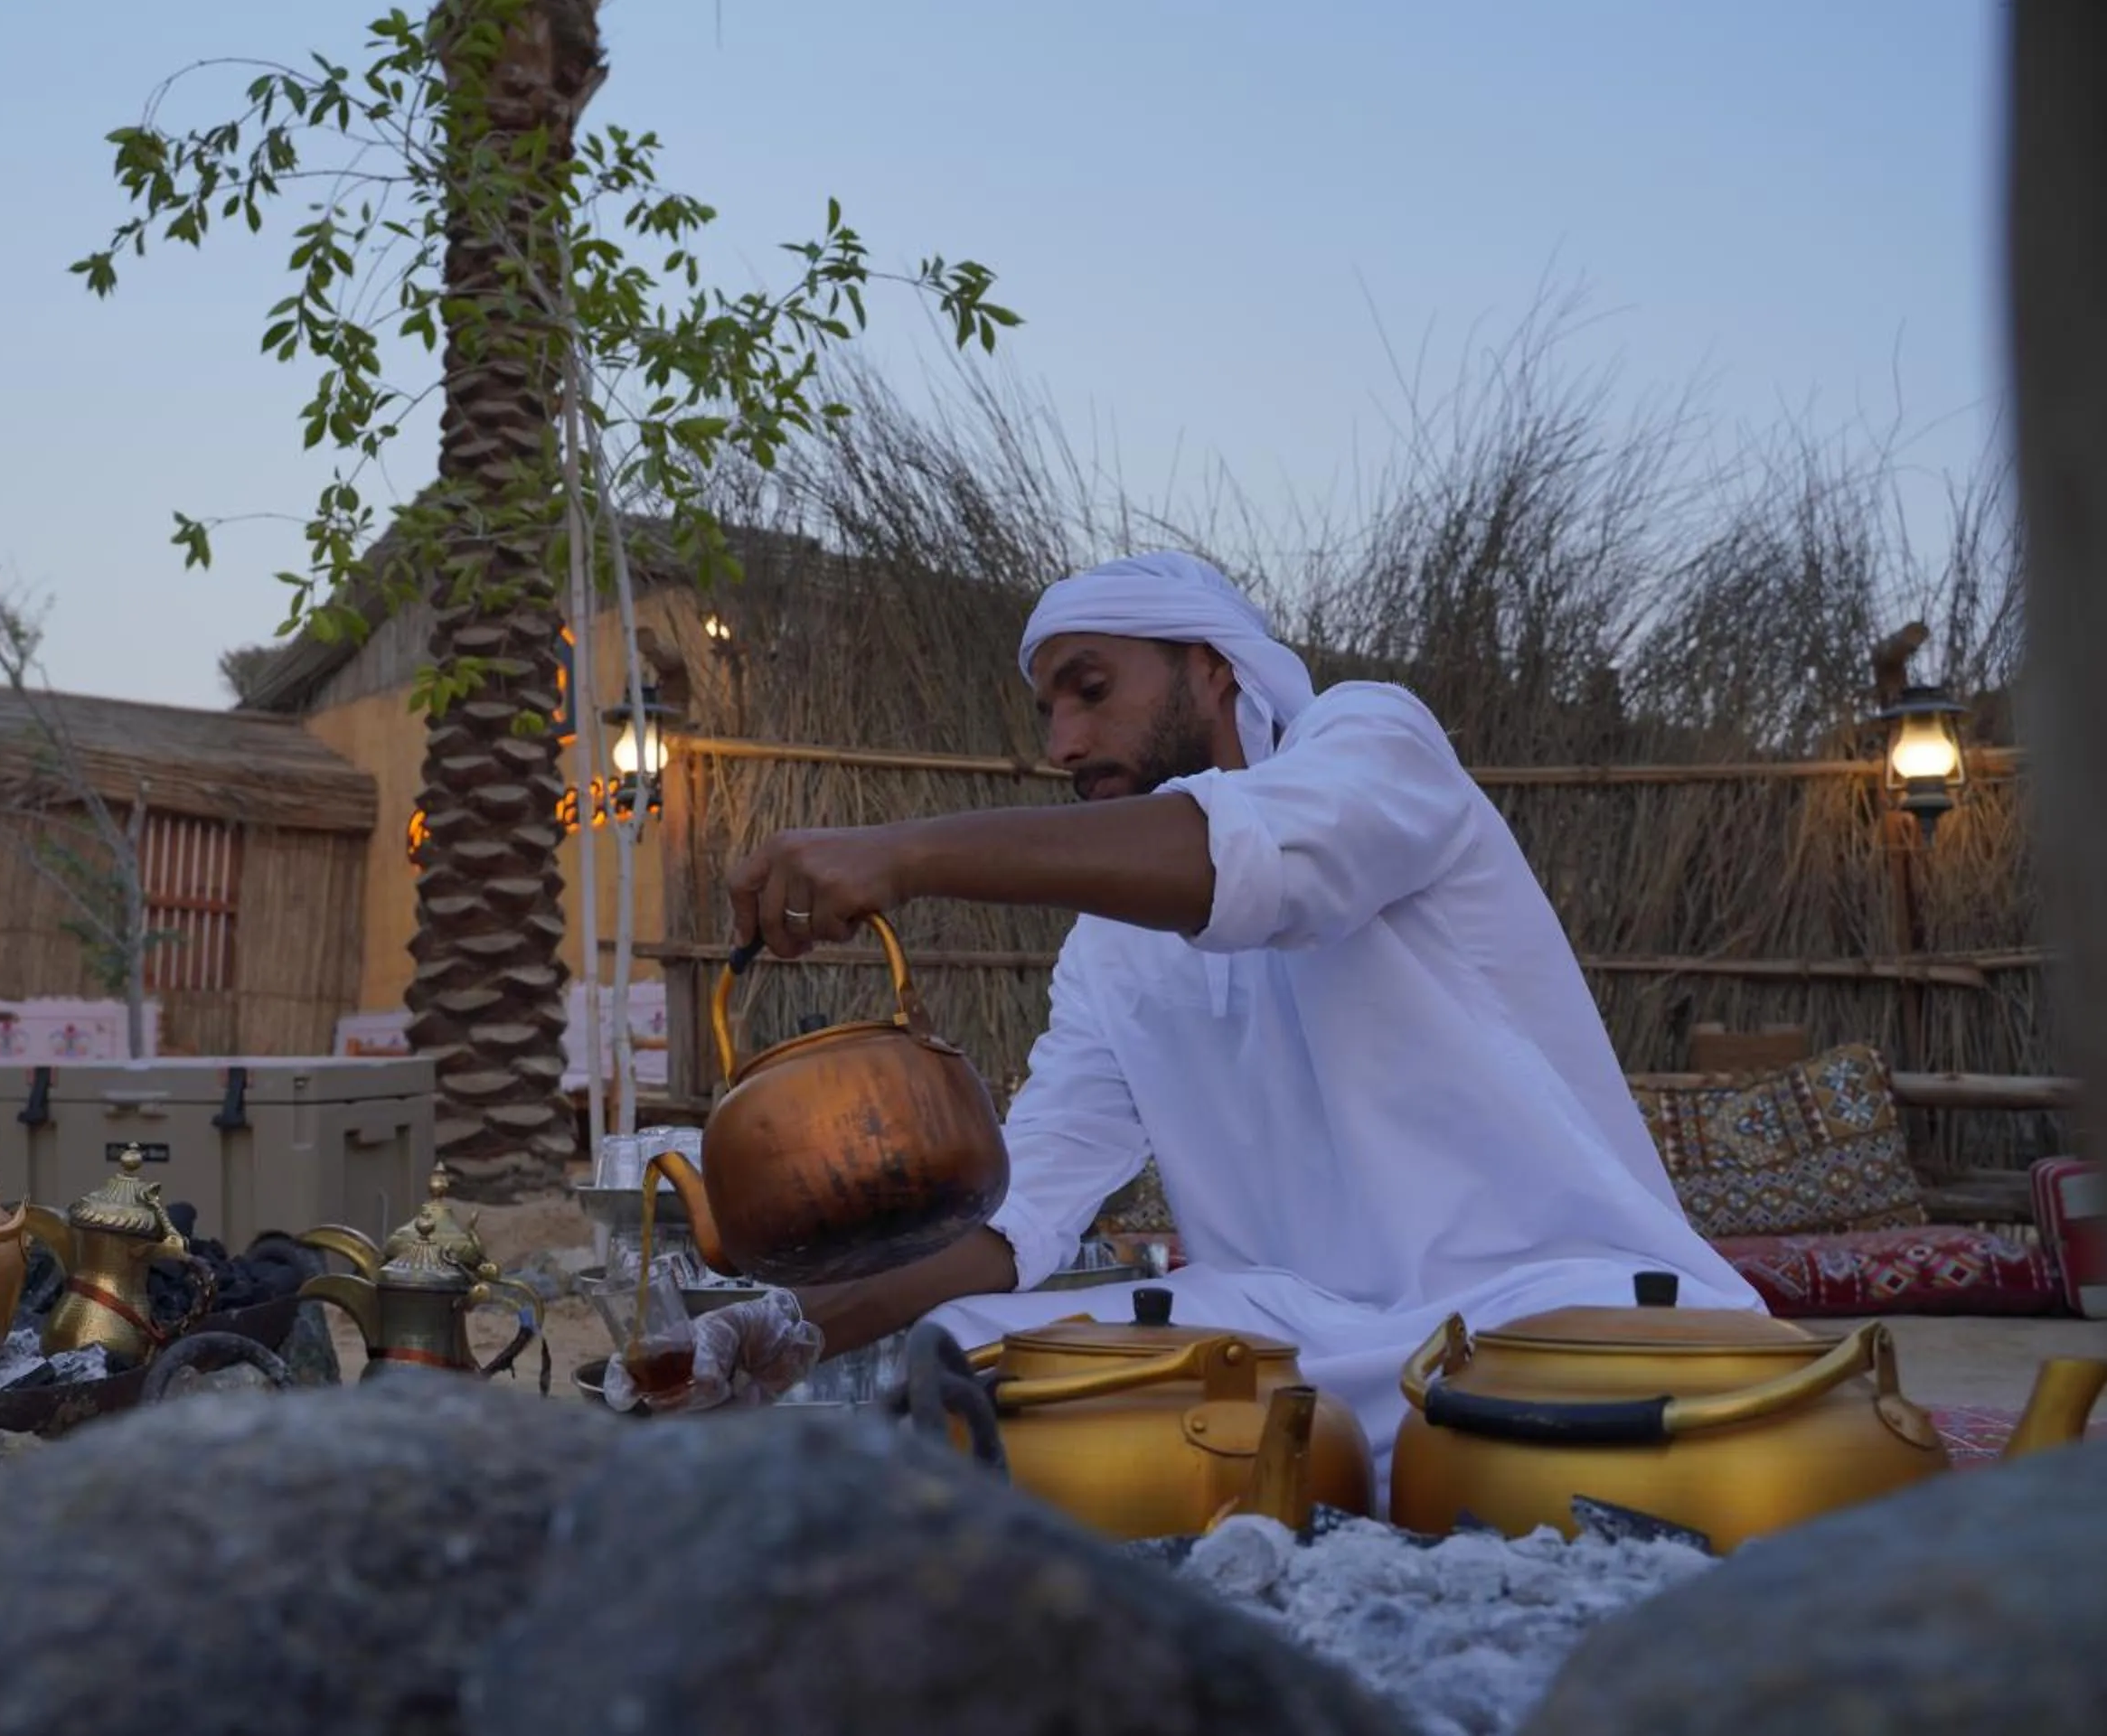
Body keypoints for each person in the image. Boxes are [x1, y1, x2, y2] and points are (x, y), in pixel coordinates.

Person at [701, 548, 1763, 1499]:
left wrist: (911, 855)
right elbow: (1021, 1211)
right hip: (1283, 1347)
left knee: (1558, 1408)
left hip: (1536, 1315)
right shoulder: (1108, 944)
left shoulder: (1375, 743)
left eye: (1091, 690)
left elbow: (1244, 862)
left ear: (1213, 668)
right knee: (953, 1349)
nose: (1065, 742)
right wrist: (784, 1330)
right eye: (1048, 714)